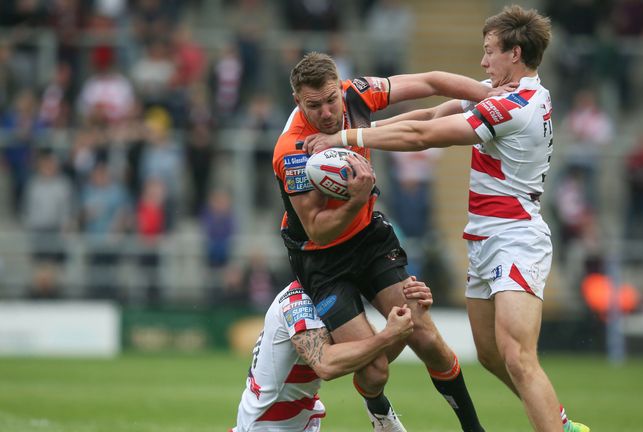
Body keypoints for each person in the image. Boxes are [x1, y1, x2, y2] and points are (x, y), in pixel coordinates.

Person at [305, 5, 589, 432]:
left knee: (517, 356)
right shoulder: (497, 94)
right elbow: (427, 116)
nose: (483, 61)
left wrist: (343, 138)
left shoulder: (517, 106)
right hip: (482, 238)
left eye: (489, 51)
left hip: (515, 237)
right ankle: (561, 423)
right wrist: (363, 137)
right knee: (491, 355)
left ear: (514, 53)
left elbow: (425, 137)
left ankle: (560, 430)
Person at [274, 52, 503, 431]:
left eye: (331, 99)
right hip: (321, 260)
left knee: (425, 335)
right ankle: (378, 408)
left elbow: (430, 80)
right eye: (314, 106)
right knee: (375, 370)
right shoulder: (291, 151)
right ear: (298, 102)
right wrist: (358, 198)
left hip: (368, 238)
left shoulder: (357, 94)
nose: (328, 112)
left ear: (339, 87)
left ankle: (473, 429)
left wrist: (489, 93)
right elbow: (317, 229)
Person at [229, 278, 432, 432]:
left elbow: (375, 360)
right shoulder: (298, 300)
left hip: (295, 424)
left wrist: (411, 315)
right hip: (266, 427)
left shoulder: (332, 298)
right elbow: (326, 365)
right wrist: (388, 335)